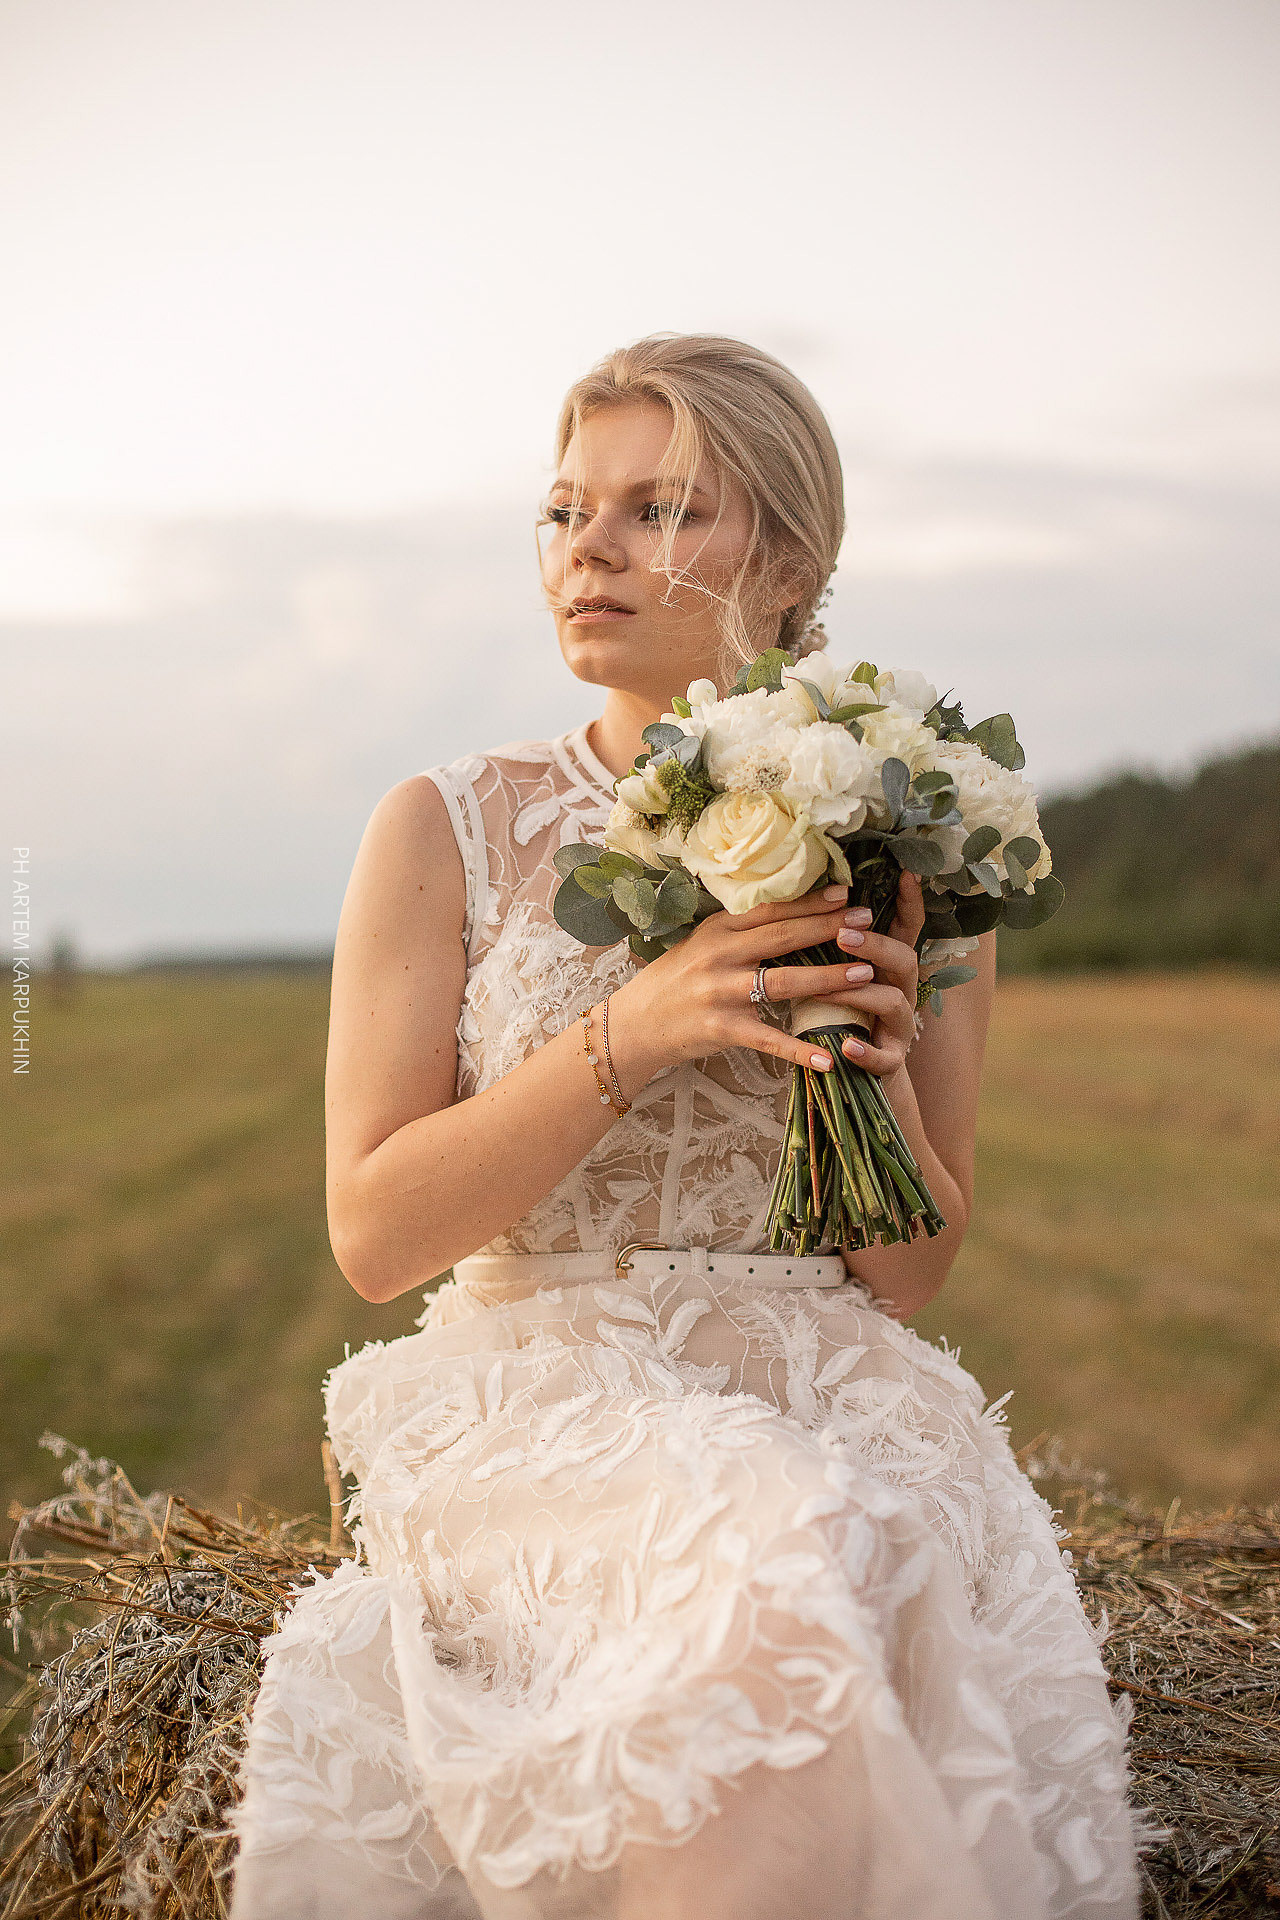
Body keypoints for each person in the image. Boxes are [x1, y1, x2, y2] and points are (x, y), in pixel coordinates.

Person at [229, 335, 1143, 1919]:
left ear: (787, 561)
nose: (588, 548)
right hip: (541, 1400)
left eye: (659, 510)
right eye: (569, 508)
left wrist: (862, 1053)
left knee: (850, 1529)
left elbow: (915, 1274)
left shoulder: (914, 835)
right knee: (771, 1549)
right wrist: (632, 1033)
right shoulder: (448, 829)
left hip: (838, 1390)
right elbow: (375, 1236)